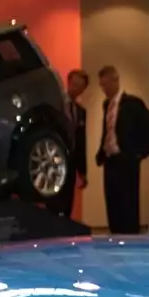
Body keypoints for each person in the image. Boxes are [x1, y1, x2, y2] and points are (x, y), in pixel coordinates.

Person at [94, 65, 149, 235]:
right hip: (110, 160)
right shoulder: (107, 105)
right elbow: (107, 130)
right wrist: (101, 153)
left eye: (106, 84)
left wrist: (139, 153)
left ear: (115, 80)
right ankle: (115, 235)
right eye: (101, 85)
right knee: (112, 202)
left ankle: (129, 237)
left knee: (128, 204)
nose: (104, 89)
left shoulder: (133, 104)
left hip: (127, 161)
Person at [65, 69, 90, 209]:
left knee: (68, 201)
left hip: (72, 162)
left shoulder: (81, 111)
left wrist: (83, 171)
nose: (75, 89)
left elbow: (81, 142)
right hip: (56, 159)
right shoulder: (56, 104)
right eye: (74, 84)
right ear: (68, 83)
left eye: (79, 87)